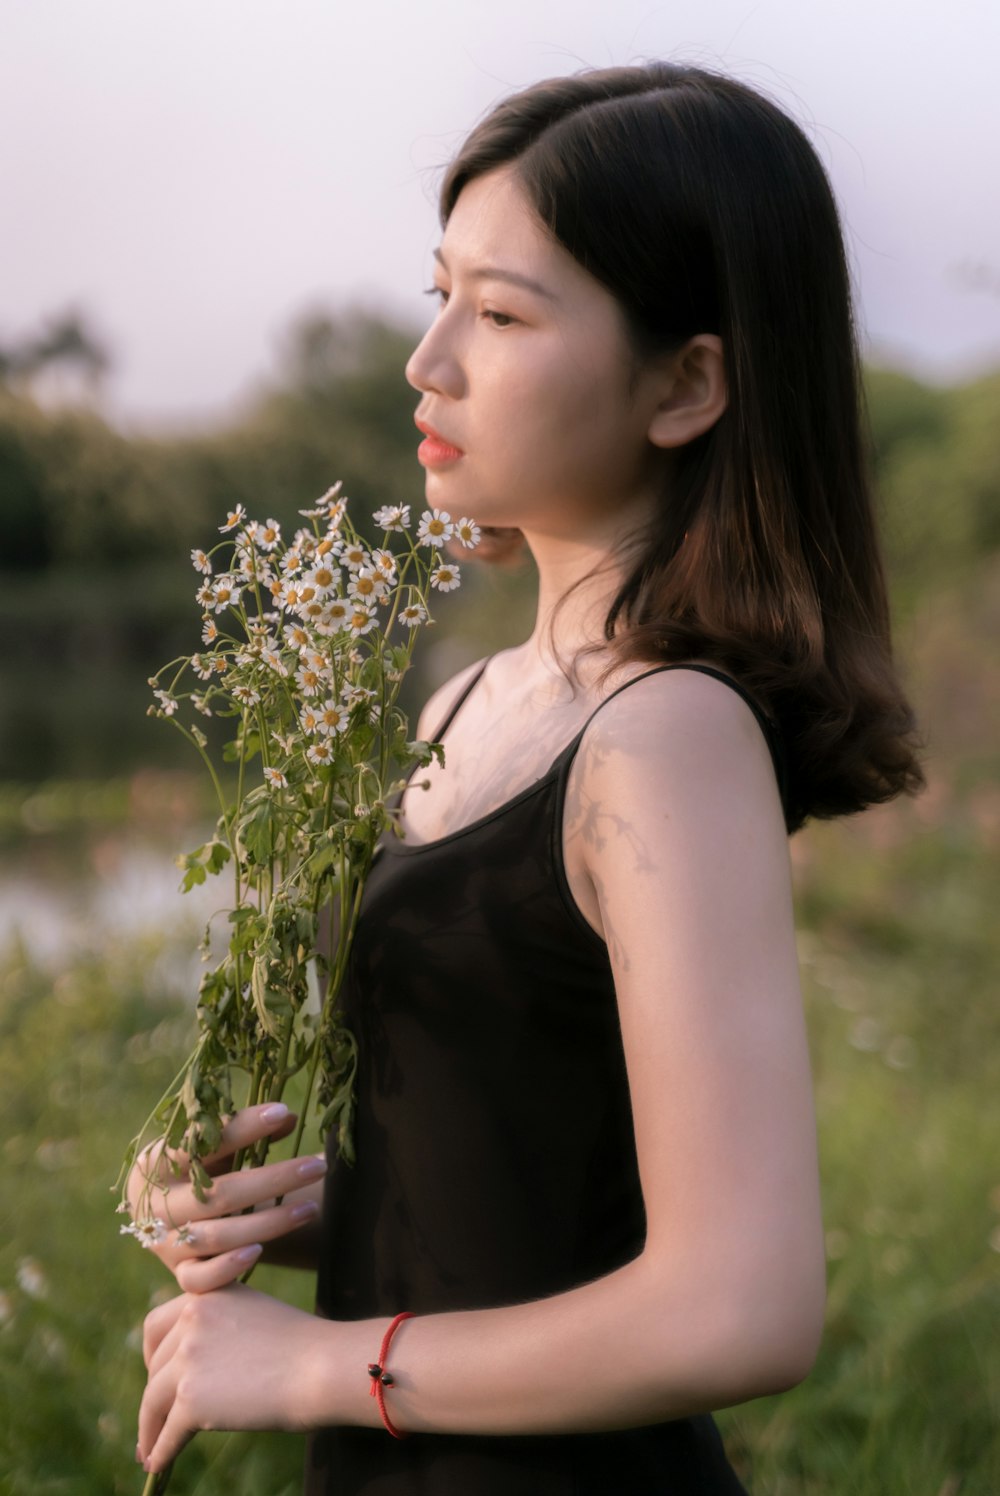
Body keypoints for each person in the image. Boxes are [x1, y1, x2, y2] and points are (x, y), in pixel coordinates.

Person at [129, 59, 925, 1492]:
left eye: (499, 313)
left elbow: (741, 1306)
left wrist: (316, 1362)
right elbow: (520, 1164)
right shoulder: (469, 701)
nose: (429, 359)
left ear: (687, 385)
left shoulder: (667, 734)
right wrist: (264, 1205)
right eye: (439, 294)